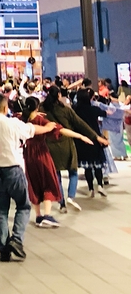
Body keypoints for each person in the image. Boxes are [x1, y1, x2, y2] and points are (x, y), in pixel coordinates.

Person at [0, 92, 56, 261]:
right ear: (6, 108)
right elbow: (33, 129)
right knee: (23, 206)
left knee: (0, 211)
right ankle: (17, 239)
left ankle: (3, 249)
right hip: (12, 170)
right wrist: (50, 127)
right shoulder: (13, 123)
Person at [21, 97, 92, 227]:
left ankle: (38, 216)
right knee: (48, 181)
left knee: (34, 182)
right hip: (41, 154)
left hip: (28, 154)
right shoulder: (41, 121)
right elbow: (60, 130)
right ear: (37, 107)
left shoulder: (21, 119)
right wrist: (81, 136)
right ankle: (47, 215)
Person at [39, 86, 107, 212]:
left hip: (49, 144)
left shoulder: (42, 110)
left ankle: (62, 203)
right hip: (67, 143)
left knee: (57, 174)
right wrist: (95, 137)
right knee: (73, 171)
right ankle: (71, 196)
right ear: (59, 95)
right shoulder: (66, 110)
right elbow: (80, 124)